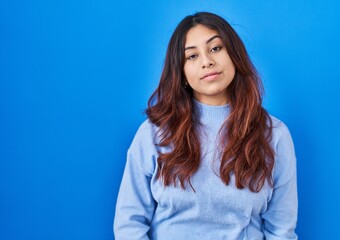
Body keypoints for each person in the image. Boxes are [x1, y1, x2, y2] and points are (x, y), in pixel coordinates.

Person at [113, 12, 298, 240]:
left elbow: (281, 230)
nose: (206, 61)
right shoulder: (153, 133)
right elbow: (129, 224)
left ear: (234, 55)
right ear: (181, 72)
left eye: (215, 48)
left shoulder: (274, 135)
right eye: (191, 56)